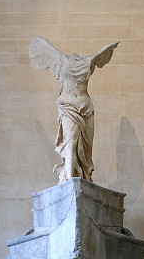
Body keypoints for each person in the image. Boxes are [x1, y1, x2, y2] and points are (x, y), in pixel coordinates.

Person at [28, 37, 119, 183]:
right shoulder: (62, 59)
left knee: (86, 149)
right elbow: (40, 46)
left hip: (85, 108)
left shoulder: (89, 61)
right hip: (68, 107)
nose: (76, 57)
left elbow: (103, 53)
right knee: (70, 143)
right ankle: (70, 181)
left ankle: (83, 177)